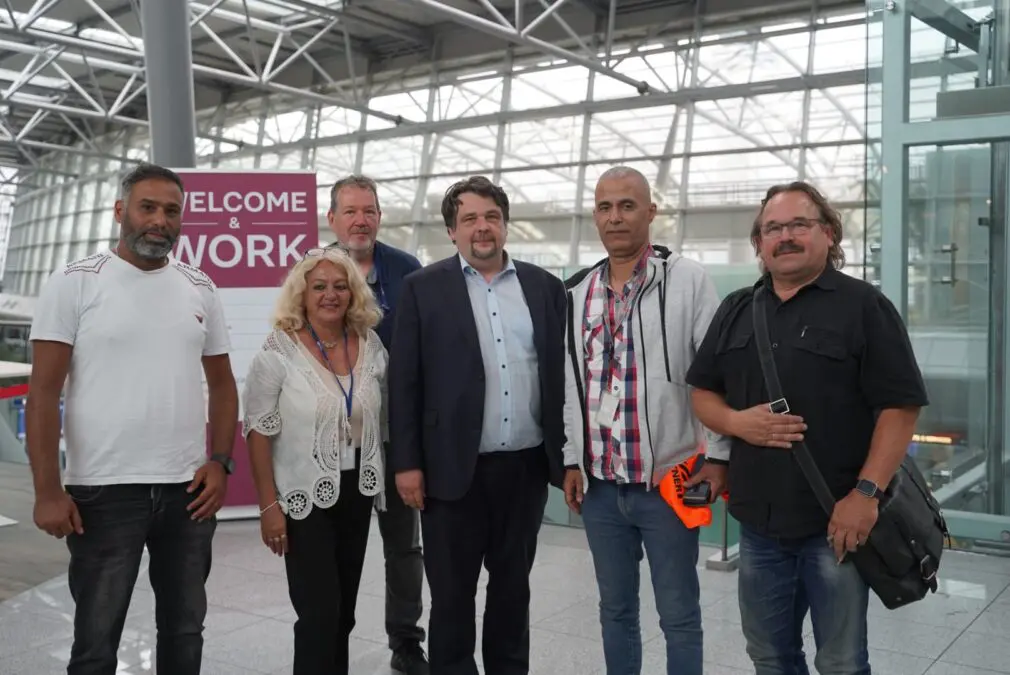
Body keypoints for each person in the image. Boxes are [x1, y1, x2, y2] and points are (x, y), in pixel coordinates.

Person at [686, 181, 928, 675]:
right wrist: (737, 423)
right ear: (759, 243)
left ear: (829, 233)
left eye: (800, 224)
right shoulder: (735, 309)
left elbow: (900, 408)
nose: (786, 236)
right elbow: (702, 392)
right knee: (769, 656)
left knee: (840, 661)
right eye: (773, 228)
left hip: (835, 523)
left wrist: (865, 494)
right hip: (756, 524)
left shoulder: (864, 306)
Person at [25, 162, 239, 675]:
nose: (160, 220)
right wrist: (48, 491)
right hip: (103, 491)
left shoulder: (199, 286)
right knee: (97, 643)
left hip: (186, 490)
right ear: (121, 211)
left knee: (185, 632)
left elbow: (224, 384)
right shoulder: (74, 283)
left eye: (171, 211)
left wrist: (220, 461)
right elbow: (42, 391)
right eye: (148, 207)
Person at [388, 175, 567, 675]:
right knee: (452, 598)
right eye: (469, 219)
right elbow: (404, 383)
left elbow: (560, 377)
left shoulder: (545, 287)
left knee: (513, 591)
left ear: (505, 225)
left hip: (524, 470)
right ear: (452, 231)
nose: (482, 228)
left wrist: (566, 457)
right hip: (449, 473)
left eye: (491, 216)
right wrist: (407, 464)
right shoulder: (422, 289)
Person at [560, 166, 729, 675]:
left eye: (627, 205)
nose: (615, 217)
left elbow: (718, 375)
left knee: (679, 614)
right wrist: (571, 459)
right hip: (602, 490)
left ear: (650, 212)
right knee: (615, 611)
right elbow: (571, 385)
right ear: (595, 215)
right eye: (605, 207)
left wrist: (720, 456)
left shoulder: (687, 281)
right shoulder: (575, 293)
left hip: (669, 482)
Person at [242, 247, 388, 674]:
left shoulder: (370, 345)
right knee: (318, 615)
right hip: (303, 496)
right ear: (301, 294)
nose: (331, 294)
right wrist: (269, 507)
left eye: (340, 286)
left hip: (356, 493)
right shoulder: (279, 349)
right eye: (319, 286)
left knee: (343, 615)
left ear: (353, 293)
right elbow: (257, 430)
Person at [325, 174, 428, 675]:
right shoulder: (313, 272)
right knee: (337, 548)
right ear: (332, 219)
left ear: (379, 217)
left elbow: (425, 356)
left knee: (404, 547)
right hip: (333, 440)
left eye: (369, 210)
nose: (360, 220)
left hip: (394, 436)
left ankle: (406, 640)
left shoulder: (408, 272)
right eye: (350, 211)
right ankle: (332, 636)